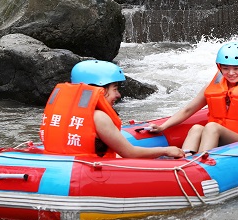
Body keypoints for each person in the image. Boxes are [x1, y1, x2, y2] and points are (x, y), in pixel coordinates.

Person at [39, 60, 184, 159]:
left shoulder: (62, 113)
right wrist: (166, 150)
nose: (118, 95)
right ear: (100, 90)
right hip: (86, 176)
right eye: (115, 89)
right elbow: (130, 152)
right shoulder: (99, 117)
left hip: (61, 167)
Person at [147, 42, 238, 154]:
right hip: (213, 137)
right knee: (197, 128)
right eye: (225, 68)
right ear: (219, 67)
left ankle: (201, 160)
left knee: (212, 126)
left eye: (237, 68)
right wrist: (163, 127)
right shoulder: (212, 86)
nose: (231, 73)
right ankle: (186, 158)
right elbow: (188, 110)